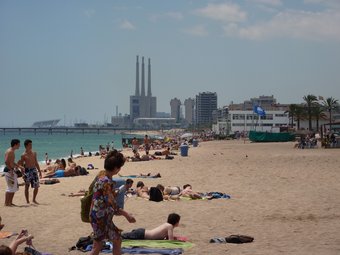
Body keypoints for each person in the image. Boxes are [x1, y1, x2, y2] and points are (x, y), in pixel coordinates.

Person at [89, 150, 136, 255]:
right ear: (115, 168)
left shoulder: (101, 176)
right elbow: (112, 203)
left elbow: (108, 195)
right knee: (99, 245)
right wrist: (127, 215)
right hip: (101, 218)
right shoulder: (106, 182)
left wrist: (124, 188)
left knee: (114, 240)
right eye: (119, 167)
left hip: (98, 216)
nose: (119, 170)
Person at [18, 139, 42, 204]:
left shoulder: (34, 153)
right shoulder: (23, 155)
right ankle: (27, 201)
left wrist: (39, 171)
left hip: (34, 170)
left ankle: (34, 199)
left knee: (36, 186)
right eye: (30, 145)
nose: (31, 146)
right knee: (27, 186)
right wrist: (22, 173)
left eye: (31, 144)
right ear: (26, 146)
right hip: (27, 171)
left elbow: (36, 162)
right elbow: (21, 165)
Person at [4, 139, 24, 206]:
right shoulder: (10, 151)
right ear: (15, 144)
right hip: (9, 170)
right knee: (10, 187)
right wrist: (11, 170)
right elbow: (6, 162)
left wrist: (19, 166)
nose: (19, 146)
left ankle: (10, 202)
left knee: (14, 187)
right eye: (19, 144)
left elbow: (12, 162)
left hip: (11, 170)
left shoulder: (12, 151)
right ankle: (6, 203)